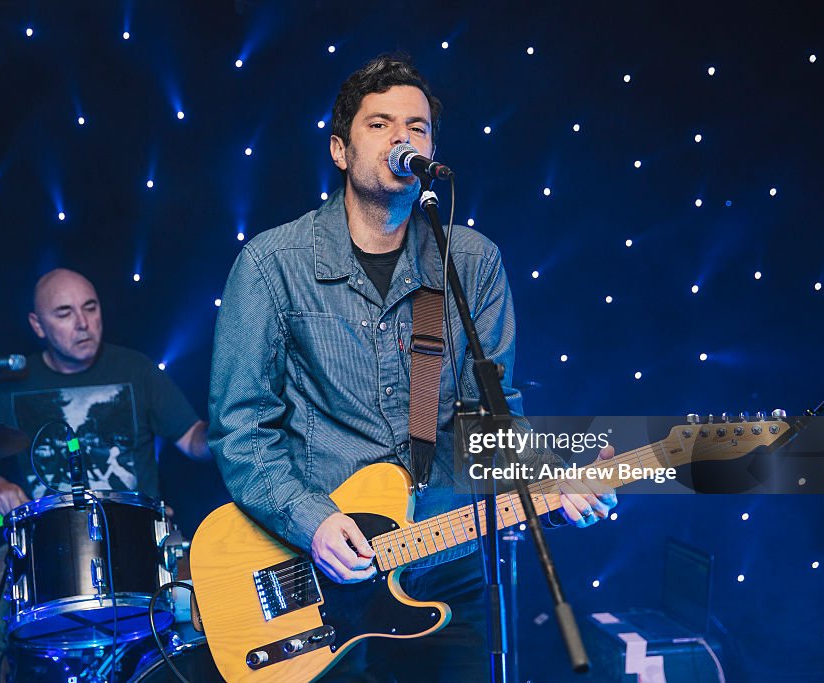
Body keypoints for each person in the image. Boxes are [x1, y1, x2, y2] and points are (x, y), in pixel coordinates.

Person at [208, 54, 617, 682]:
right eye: (380, 124)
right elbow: (242, 429)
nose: (404, 138)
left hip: (446, 565)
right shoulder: (271, 264)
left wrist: (557, 488)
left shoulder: (472, 261)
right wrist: (312, 521)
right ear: (340, 150)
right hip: (314, 569)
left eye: (418, 128)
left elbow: (491, 415)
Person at [0, 267, 209, 682]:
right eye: (64, 313)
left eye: (90, 308)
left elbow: (194, 441)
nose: (83, 323)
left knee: (216, 601)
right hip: (38, 548)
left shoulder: (136, 369)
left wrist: (229, 420)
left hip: (144, 541)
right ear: (38, 325)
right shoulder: (10, 385)